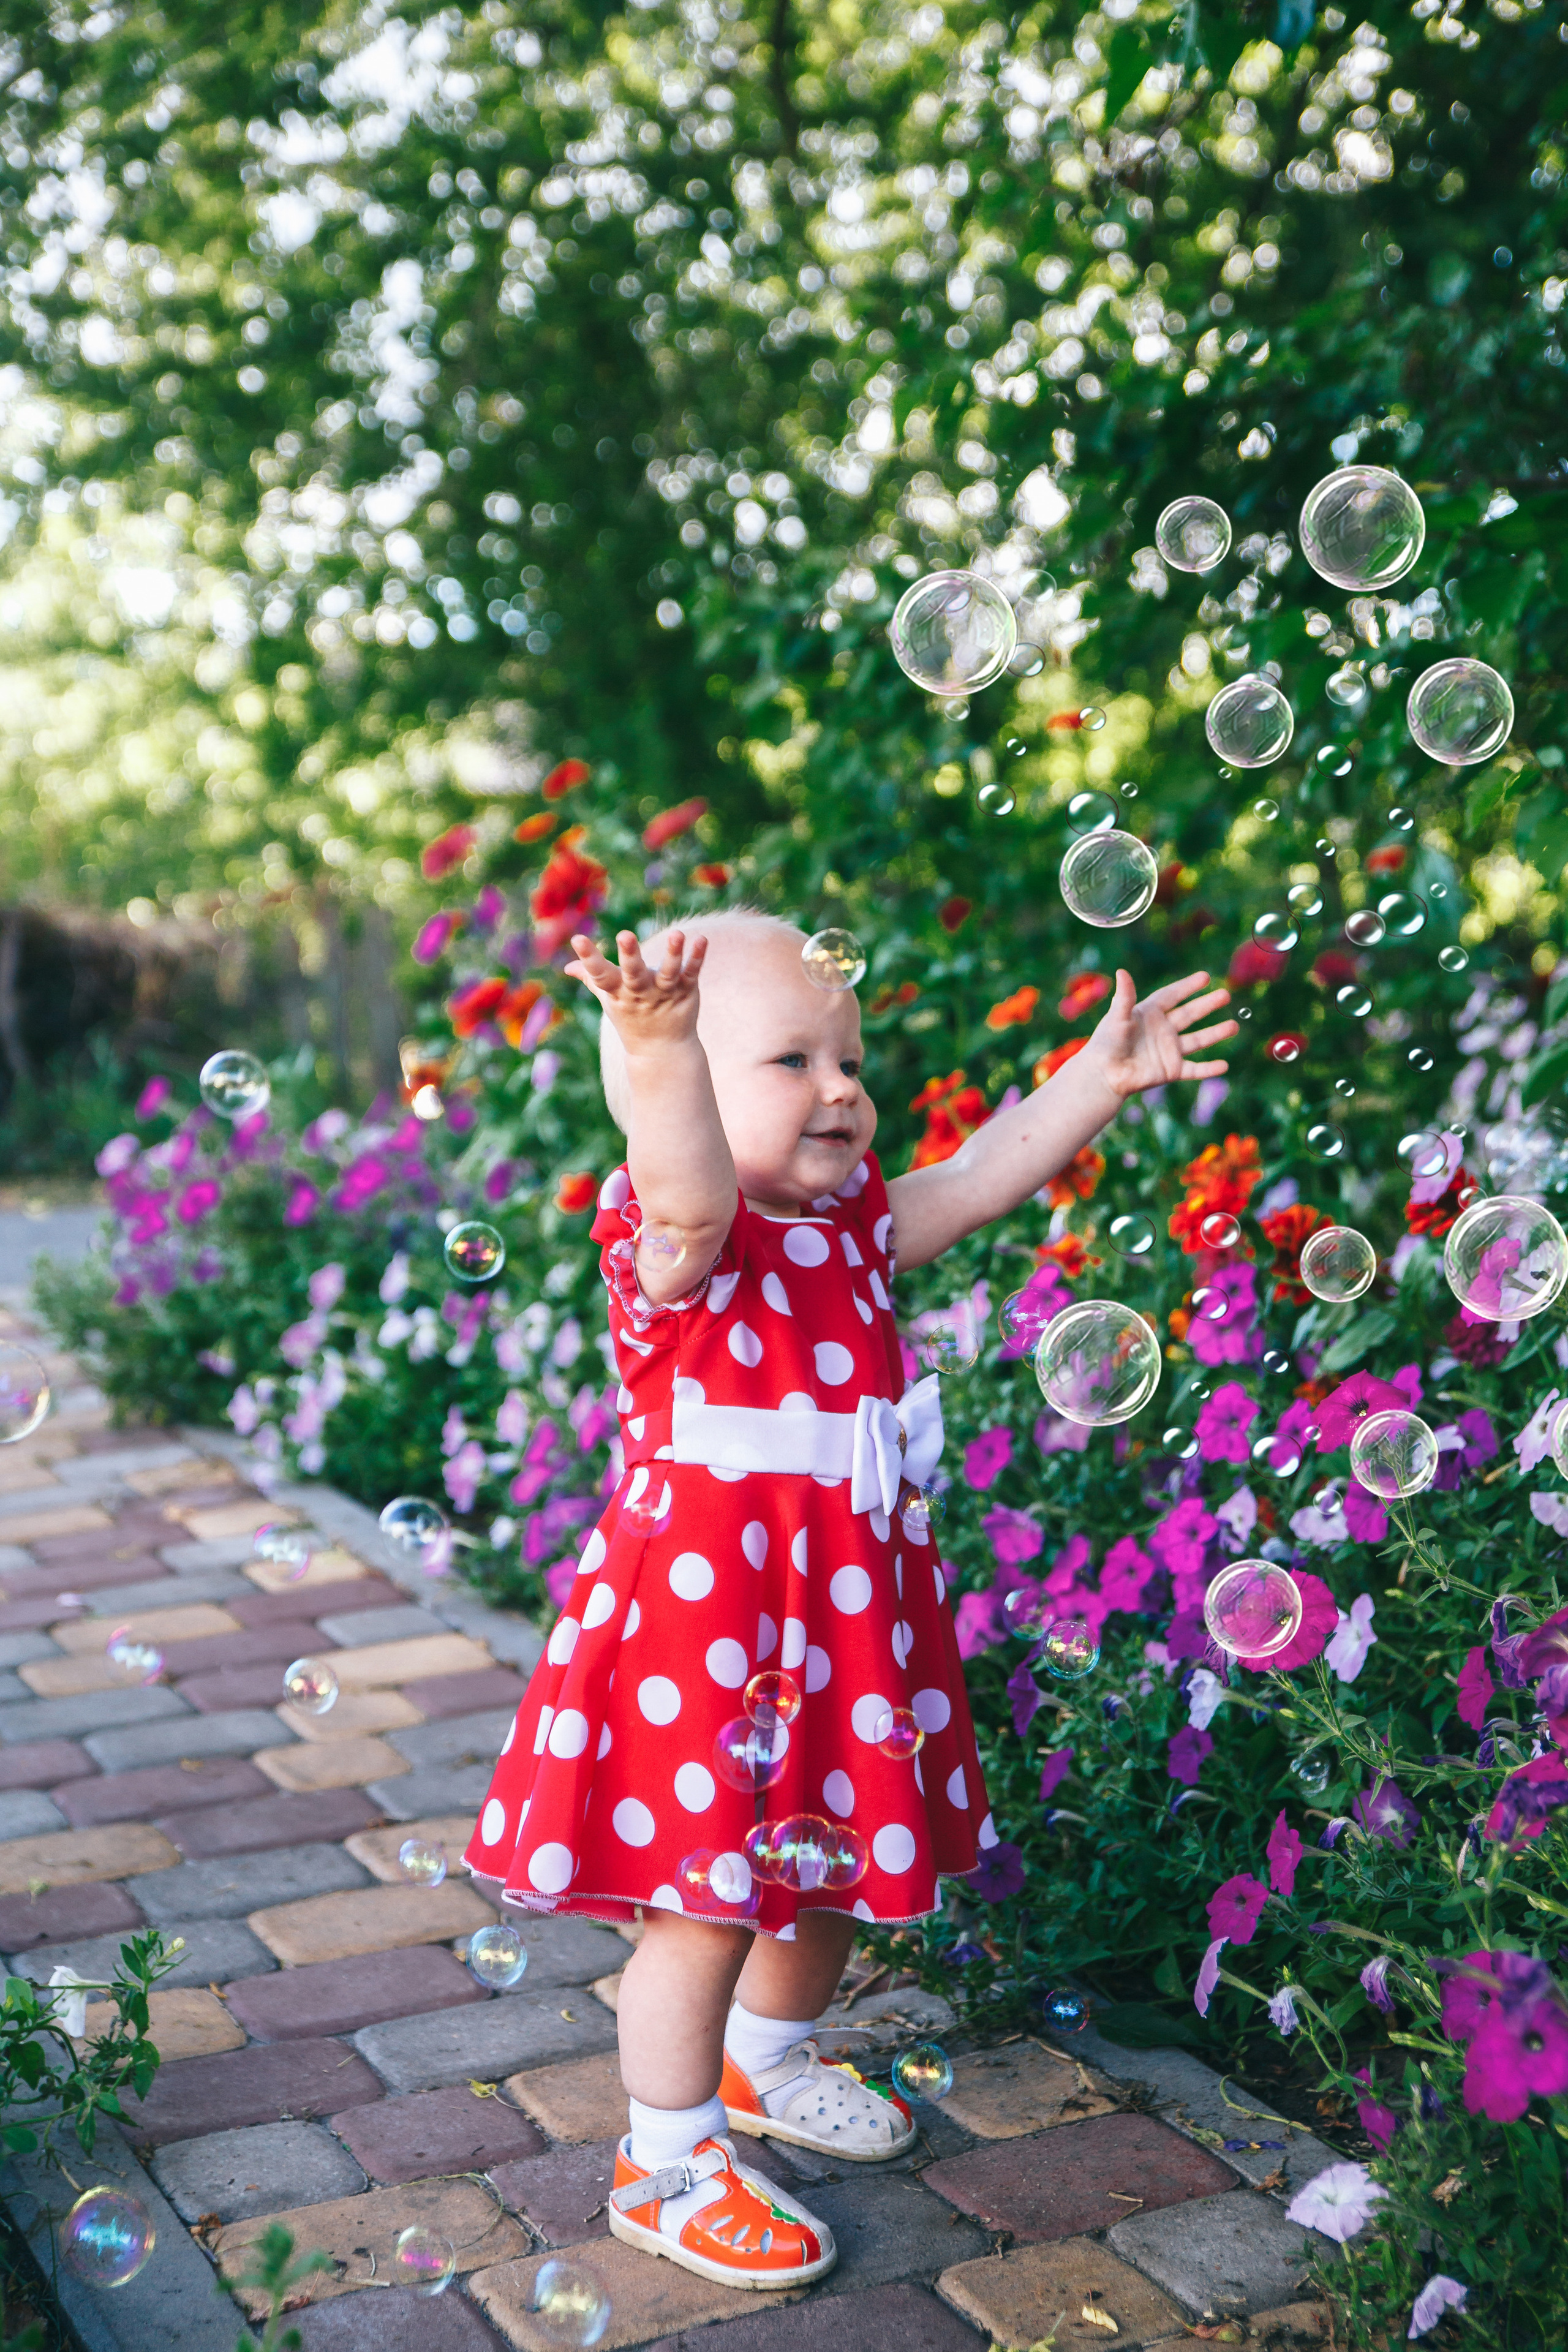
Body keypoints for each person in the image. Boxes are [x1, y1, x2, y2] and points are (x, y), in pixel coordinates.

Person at [463, 908, 1234, 2289]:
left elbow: (985, 1175)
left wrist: (1094, 1078)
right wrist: (655, 1055)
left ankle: (762, 2062)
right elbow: (691, 1180)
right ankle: (667, 2155)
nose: (839, 1090)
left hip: (837, 1614)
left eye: (849, 1059)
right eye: (787, 1061)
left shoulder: (856, 1227)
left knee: (827, 1860)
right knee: (702, 1903)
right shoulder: (676, 1247)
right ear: (683, 1086)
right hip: (705, 1630)